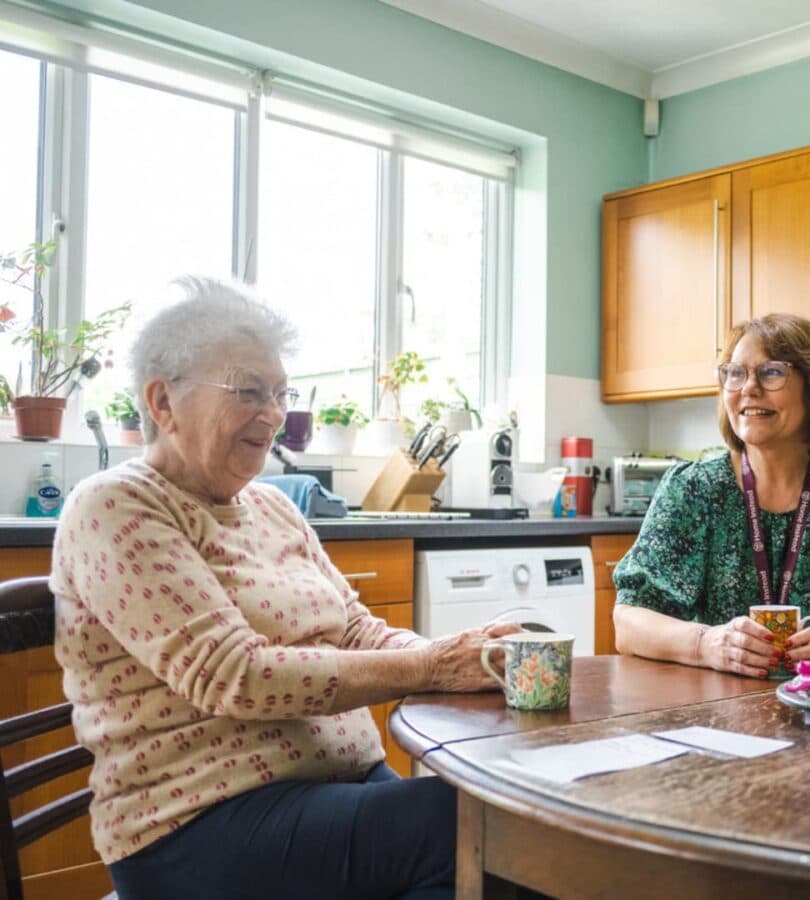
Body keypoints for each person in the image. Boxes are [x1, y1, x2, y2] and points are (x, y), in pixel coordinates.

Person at [50, 277, 518, 900]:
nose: (274, 414)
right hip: (195, 824)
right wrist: (431, 665)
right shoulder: (116, 506)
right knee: (475, 833)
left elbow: (359, 631)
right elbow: (234, 673)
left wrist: (467, 657)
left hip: (331, 791)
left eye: (280, 393)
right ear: (163, 403)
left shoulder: (272, 507)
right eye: (248, 391)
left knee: (504, 845)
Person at [613, 313, 810, 679]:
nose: (749, 388)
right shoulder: (694, 489)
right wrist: (705, 644)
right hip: (723, 717)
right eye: (735, 373)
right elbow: (628, 621)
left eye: (771, 372)